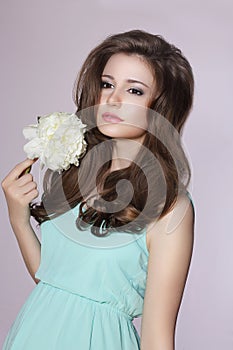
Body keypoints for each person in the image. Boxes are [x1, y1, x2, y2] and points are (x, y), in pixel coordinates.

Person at [1, 29, 195, 349]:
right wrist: (18, 220)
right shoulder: (77, 172)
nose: (112, 99)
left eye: (134, 90)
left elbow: (157, 338)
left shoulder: (171, 207)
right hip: (30, 335)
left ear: (159, 107)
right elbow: (56, 281)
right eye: (107, 84)